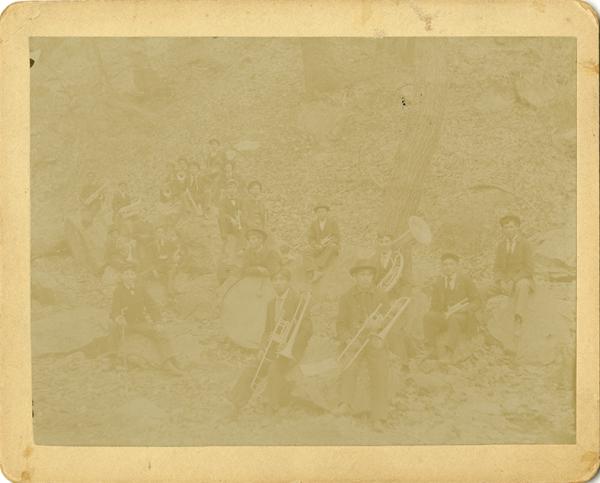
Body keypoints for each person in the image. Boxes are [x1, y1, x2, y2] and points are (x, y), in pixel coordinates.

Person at [227, 268, 312, 415]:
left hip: (291, 349)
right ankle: (237, 403)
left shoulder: (298, 300)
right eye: (275, 280)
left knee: (274, 368)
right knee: (253, 367)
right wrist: (262, 347)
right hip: (274, 347)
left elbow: (308, 330)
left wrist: (290, 344)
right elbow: (268, 330)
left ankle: (272, 406)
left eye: (282, 279)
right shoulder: (271, 304)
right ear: (272, 283)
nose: (278, 283)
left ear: (288, 281)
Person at [335, 259, 390, 432]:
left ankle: (378, 417)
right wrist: (347, 339)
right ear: (355, 277)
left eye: (369, 275)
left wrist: (380, 326)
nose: (366, 278)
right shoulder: (346, 297)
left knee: (380, 372)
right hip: (355, 340)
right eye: (362, 275)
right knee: (349, 365)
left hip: (374, 340)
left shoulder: (381, 295)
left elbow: (389, 319)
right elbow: (341, 324)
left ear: (373, 276)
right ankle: (345, 403)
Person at [109, 265, 182, 375]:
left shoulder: (140, 289)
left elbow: (151, 306)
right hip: (126, 324)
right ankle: (114, 359)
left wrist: (157, 322)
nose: (129, 277)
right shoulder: (118, 291)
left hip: (140, 322)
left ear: (135, 276)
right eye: (126, 274)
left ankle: (169, 362)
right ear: (122, 277)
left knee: (160, 333)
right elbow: (114, 309)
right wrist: (118, 318)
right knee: (114, 330)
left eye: (131, 274)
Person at [422, 253, 481, 361]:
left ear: (457, 266)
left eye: (451, 264)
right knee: (428, 317)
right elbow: (433, 305)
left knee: (454, 319)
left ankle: (449, 351)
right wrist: (438, 314)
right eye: (445, 265)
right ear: (442, 267)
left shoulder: (465, 279)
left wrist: (466, 308)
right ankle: (432, 349)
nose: (448, 267)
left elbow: (477, 301)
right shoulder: (439, 281)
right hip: (446, 314)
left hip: (463, 317)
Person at [492, 214, 535, 332]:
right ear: (502, 230)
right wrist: (500, 281)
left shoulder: (525, 244)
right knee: (482, 289)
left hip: (520, 279)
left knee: (523, 285)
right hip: (504, 280)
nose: (509, 230)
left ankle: (518, 318)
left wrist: (513, 280)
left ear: (517, 228)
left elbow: (529, 268)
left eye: (511, 227)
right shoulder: (500, 246)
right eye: (506, 227)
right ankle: (478, 323)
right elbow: (496, 268)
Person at [304, 203, 341, 283]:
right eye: (319, 212)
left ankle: (317, 268)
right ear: (316, 213)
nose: (321, 214)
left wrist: (327, 243)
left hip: (330, 245)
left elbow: (337, 236)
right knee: (306, 250)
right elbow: (311, 238)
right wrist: (316, 245)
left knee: (332, 246)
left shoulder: (332, 222)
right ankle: (311, 270)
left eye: (323, 211)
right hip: (319, 246)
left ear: (327, 212)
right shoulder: (314, 224)